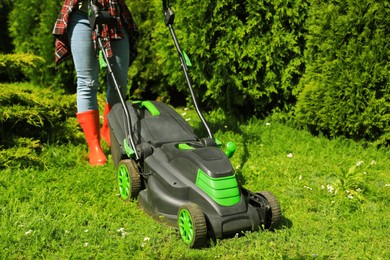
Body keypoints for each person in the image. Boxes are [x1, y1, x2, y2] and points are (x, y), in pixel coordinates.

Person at [52, 0, 138, 165]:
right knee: (87, 82)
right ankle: (94, 147)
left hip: (114, 14)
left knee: (119, 82)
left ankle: (109, 131)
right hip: (82, 15)